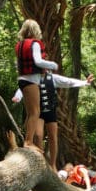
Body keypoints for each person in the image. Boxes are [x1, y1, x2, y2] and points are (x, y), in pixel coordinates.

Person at [13, 71, 94, 171]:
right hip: (39, 112)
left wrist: (84, 82)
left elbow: (67, 82)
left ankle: (52, 164)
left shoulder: (52, 77)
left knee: (53, 137)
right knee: (38, 135)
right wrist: (17, 96)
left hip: (50, 111)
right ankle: (41, 161)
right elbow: (24, 89)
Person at [15, 19, 57, 153]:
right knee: (35, 112)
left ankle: (27, 140)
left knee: (30, 113)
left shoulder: (20, 45)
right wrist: (52, 65)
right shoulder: (35, 44)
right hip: (31, 81)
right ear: (36, 30)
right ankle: (28, 142)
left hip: (22, 80)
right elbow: (38, 61)